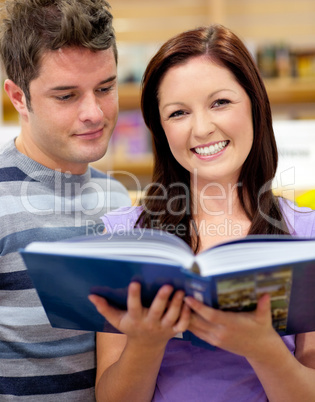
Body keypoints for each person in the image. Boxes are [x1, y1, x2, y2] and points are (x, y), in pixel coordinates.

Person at [89, 24, 315, 401]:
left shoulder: (306, 234)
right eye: (177, 113)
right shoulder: (123, 236)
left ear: (255, 105)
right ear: (160, 129)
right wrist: (146, 343)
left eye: (220, 102)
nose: (202, 128)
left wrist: (263, 348)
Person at [0, 0, 131, 400]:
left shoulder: (118, 199)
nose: (93, 113)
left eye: (105, 88)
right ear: (19, 97)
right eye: (66, 96)